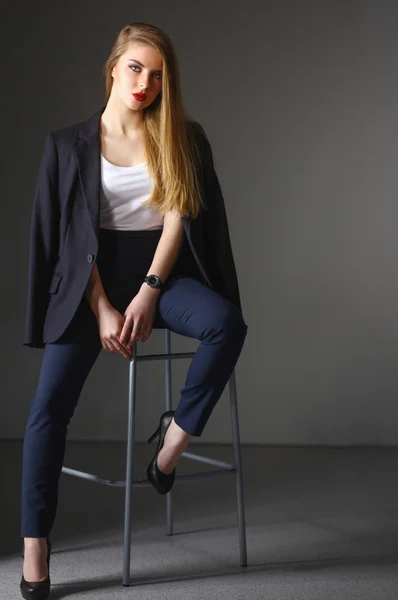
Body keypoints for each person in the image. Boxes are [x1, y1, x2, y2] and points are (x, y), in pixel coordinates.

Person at [20, 21, 248, 600]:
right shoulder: (67, 144)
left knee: (225, 324)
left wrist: (148, 291)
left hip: (159, 273)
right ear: (113, 68)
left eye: (156, 73)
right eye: (134, 68)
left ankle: (171, 442)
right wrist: (100, 307)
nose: (144, 83)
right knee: (47, 411)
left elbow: (177, 219)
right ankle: (35, 552)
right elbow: (70, 240)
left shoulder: (182, 137)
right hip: (88, 282)